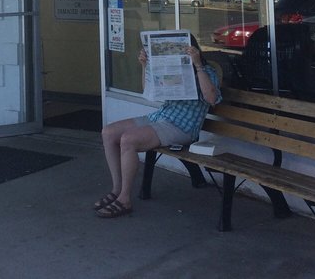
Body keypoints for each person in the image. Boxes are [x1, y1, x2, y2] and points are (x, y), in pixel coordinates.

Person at [94, 35, 221, 218]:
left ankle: (124, 198)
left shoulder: (207, 71)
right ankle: (116, 189)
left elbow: (211, 98)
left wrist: (198, 65)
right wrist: (145, 65)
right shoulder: (172, 69)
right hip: (161, 117)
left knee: (128, 140)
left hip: (182, 126)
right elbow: (148, 91)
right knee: (108, 133)